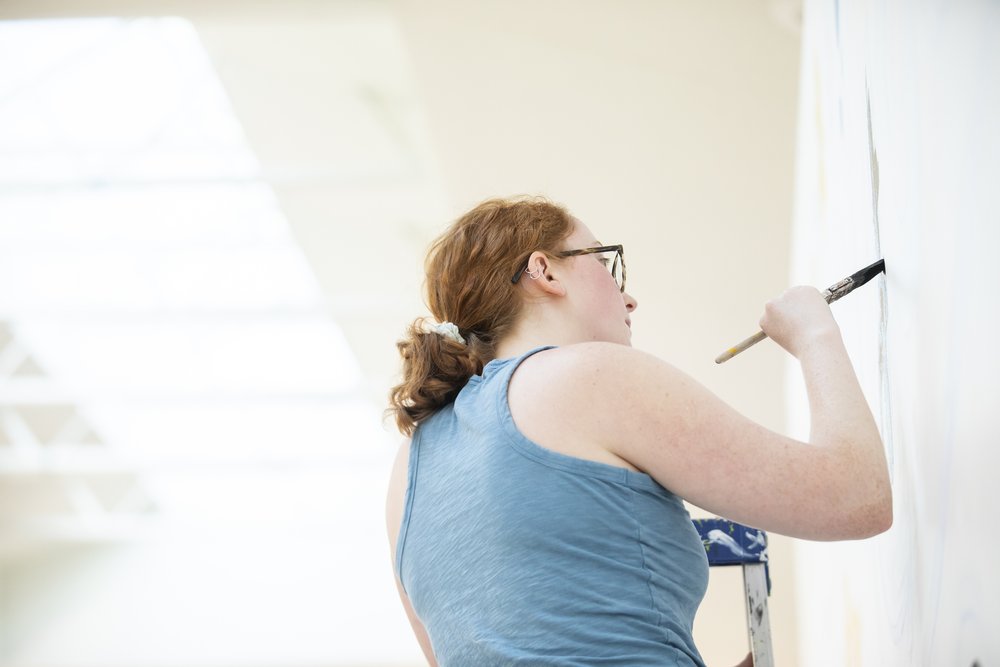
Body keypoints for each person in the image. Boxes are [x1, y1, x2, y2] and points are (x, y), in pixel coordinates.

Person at [385, 196, 892, 666]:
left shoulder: (408, 467)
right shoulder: (584, 375)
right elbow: (856, 496)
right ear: (544, 271)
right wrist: (813, 333)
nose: (629, 299)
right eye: (606, 264)